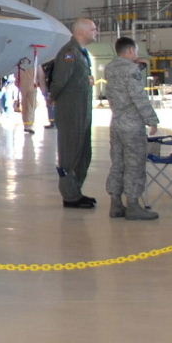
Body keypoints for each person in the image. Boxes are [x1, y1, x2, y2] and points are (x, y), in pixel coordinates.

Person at [102, 37, 160, 220]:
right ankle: (133, 205)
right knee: (134, 164)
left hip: (116, 122)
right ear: (129, 51)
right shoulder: (132, 70)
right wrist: (151, 120)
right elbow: (138, 97)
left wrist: (137, 68)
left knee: (118, 162)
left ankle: (116, 204)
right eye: (134, 51)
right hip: (132, 124)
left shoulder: (110, 68)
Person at [49, 18, 99, 208]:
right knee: (70, 153)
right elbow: (59, 81)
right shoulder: (69, 53)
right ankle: (70, 196)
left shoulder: (81, 53)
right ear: (81, 32)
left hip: (82, 112)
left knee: (83, 153)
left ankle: (76, 191)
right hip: (71, 112)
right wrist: (53, 98)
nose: (96, 32)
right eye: (93, 29)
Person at [15, 54, 47, 135]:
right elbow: (41, 76)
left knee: (28, 105)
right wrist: (44, 91)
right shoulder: (34, 63)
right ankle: (28, 125)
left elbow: (16, 76)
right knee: (29, 106)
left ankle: (27, 125)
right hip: (29, 86)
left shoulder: (22, 63)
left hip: (27, 86)